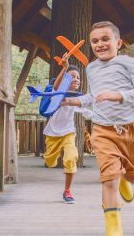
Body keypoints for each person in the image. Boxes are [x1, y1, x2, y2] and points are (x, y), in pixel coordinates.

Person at [63, 21, 134, 235]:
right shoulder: (91, 68)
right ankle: (113, 229)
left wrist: (118, 95)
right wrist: (70, 101)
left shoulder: (129, 63)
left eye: (105, 39)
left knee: (131, 175)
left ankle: (126, 179)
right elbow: (93, 96)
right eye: (95, 41)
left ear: (118, 42)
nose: (100, 44)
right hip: (102, 129)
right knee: (108, 179)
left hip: (131, 128)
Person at [43, 54, 91, 204]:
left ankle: (67, 191)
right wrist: (64, 68)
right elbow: (57, 87)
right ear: (65, 80)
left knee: (71, 158)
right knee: (50, 162)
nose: (76, 79)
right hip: (52, 133)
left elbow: (88, 109)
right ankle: (51, 157)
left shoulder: (78, 97)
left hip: (68, 132)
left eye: (78, 77)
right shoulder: (56, 93)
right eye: (72, 77)